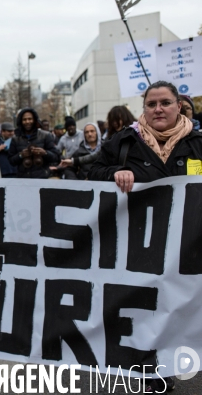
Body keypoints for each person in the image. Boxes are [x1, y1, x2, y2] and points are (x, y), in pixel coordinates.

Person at [89, 81, 199, 391]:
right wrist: (113, 174)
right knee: (147, 309)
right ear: (144, 109)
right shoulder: (123, 143)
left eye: (165, 102)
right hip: (140, 244)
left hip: (188, 245)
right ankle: (154, 375)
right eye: (151, 104)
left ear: (179, 105)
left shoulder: (198, 143)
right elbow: (92, 174)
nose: (158, 109)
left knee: (181, 308)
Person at [8, 108, 60, 178]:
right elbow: (11, 161)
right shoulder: (16, 138)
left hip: (41, 178)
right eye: (24, 119)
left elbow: (56, 157)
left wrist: (45, 153)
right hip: (23, 179)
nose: (27, 121)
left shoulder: (46, 135)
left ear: (35, 120)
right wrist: (20, 155)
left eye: (30, 119)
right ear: (21, 121)